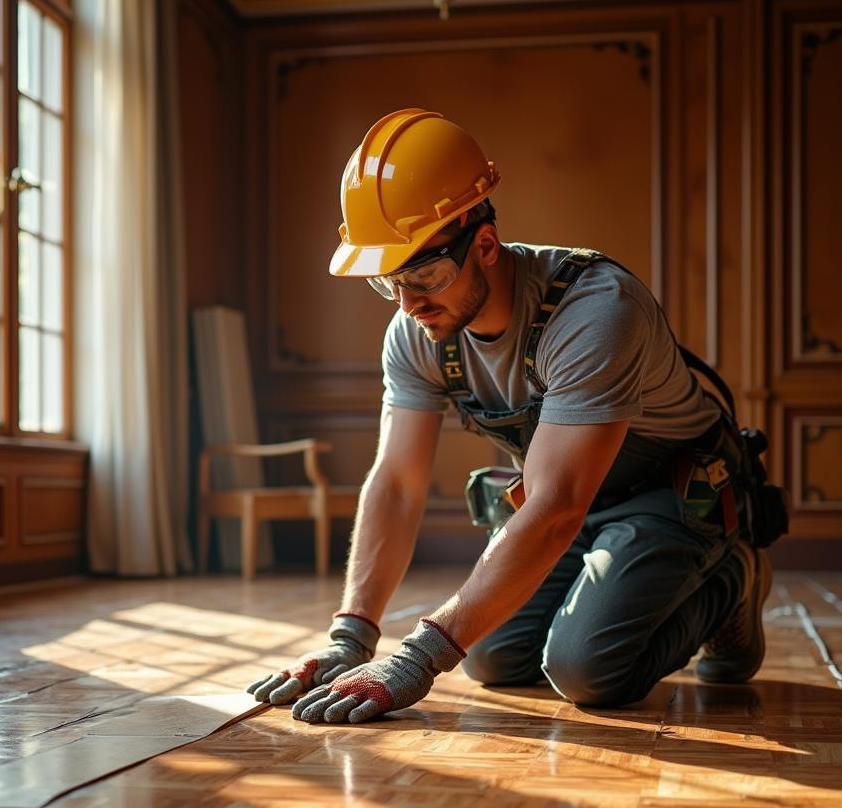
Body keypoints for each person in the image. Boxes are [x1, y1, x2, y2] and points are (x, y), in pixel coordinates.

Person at [246, 107, 773, 726]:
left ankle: (734, 578)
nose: (408, 303)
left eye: (425, 274)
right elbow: (396, 481)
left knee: (585, 670)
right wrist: (350, 637)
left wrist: (417, 658)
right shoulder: (416, 329)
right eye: (388, 281)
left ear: (486, 246)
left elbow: (554, 505)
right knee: (492, 657)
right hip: (575, 498)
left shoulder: (596, 310)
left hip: (674, 494)